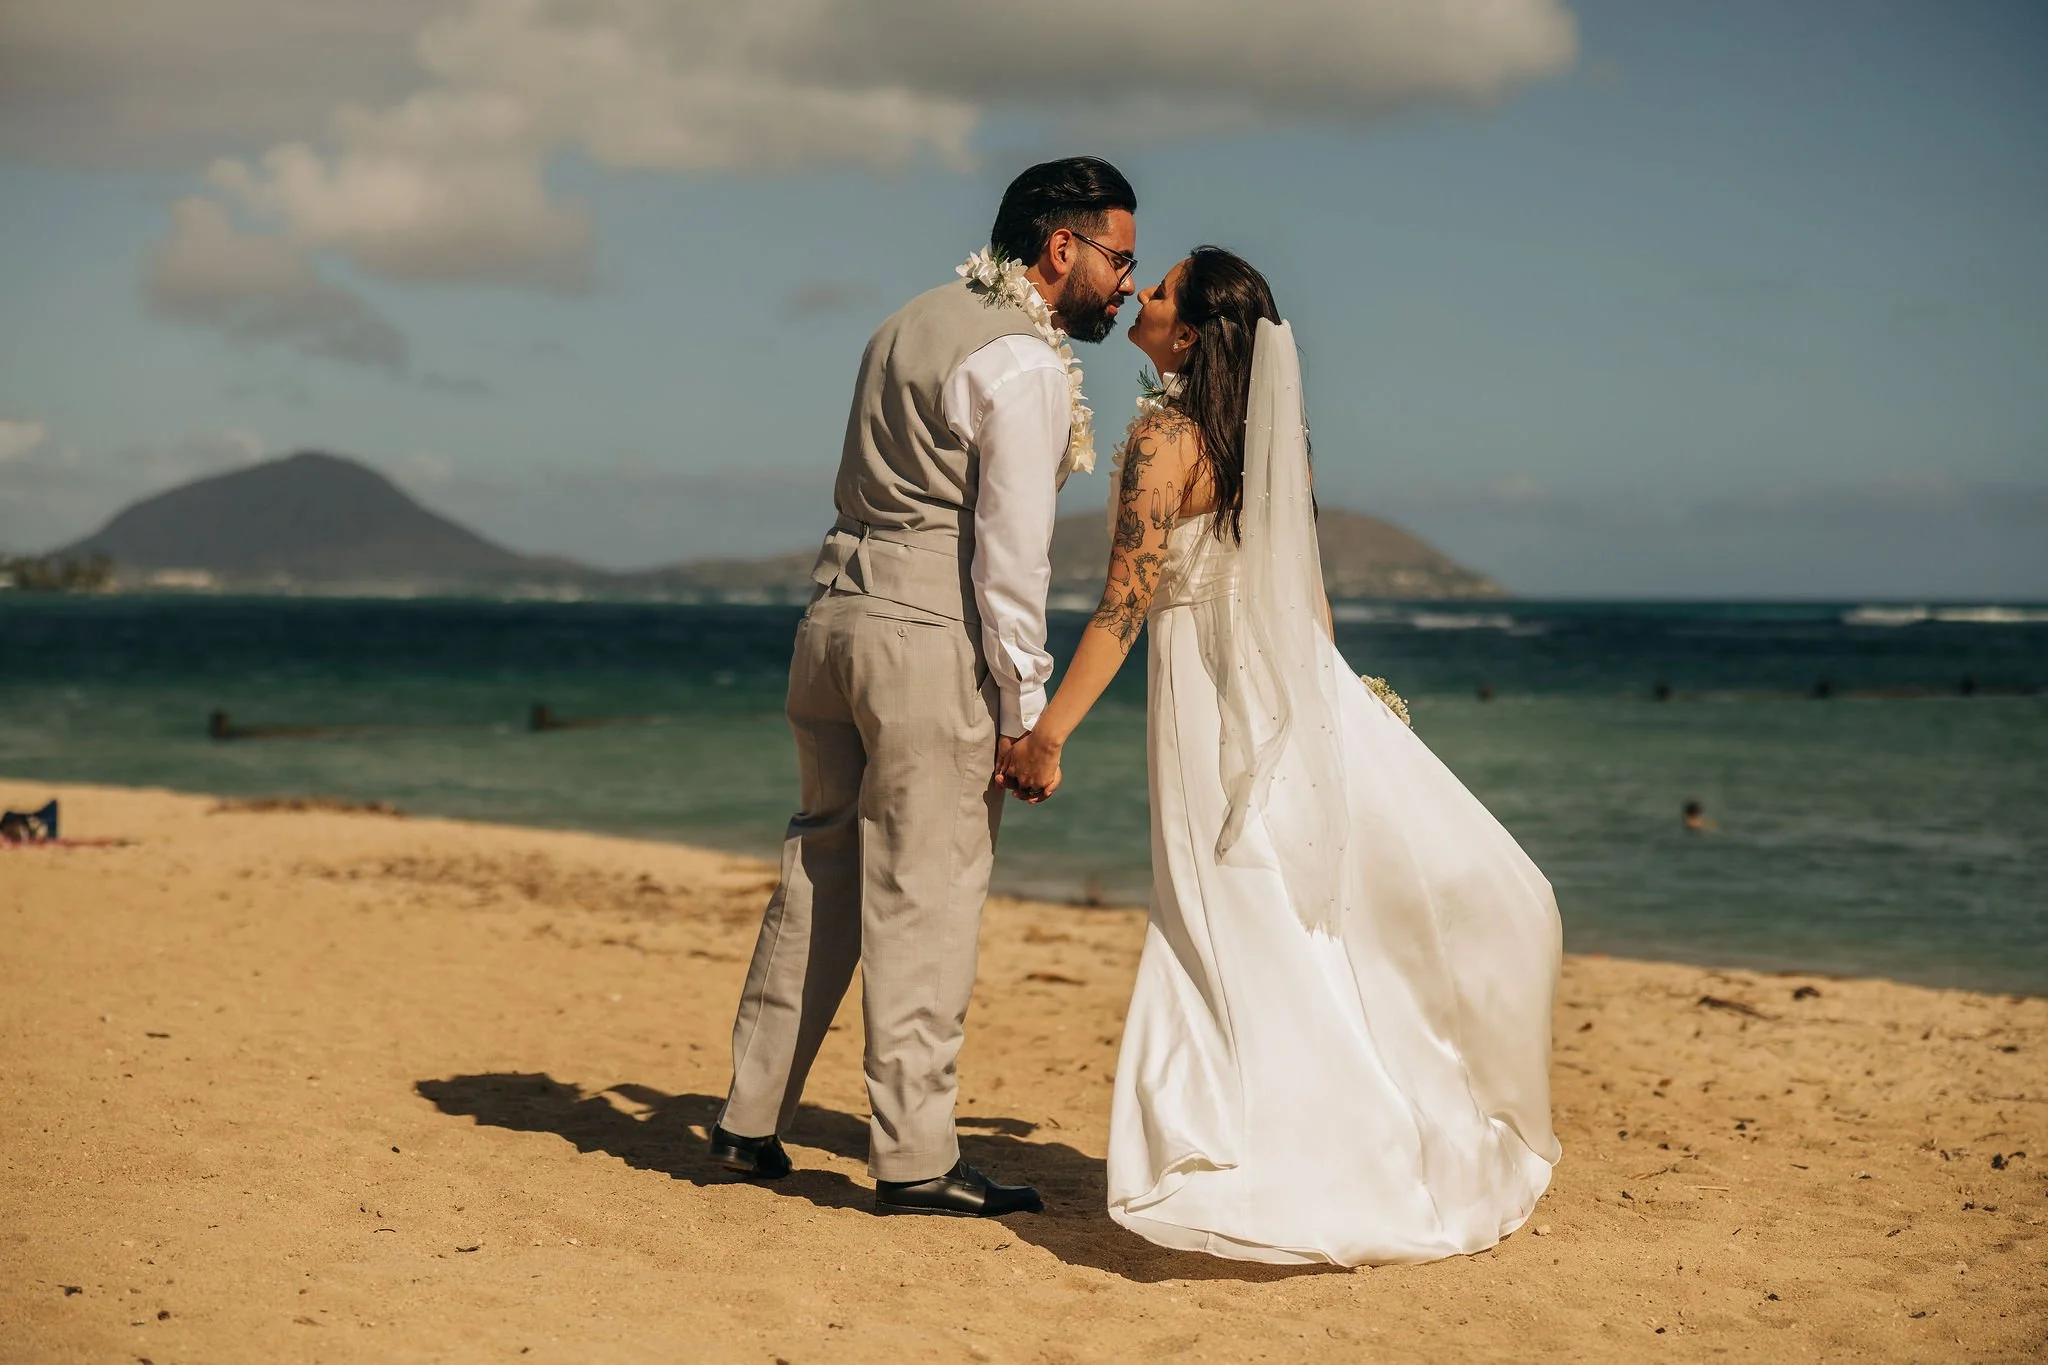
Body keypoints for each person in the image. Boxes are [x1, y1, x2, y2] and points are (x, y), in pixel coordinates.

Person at [999, 248, 1562, 1265]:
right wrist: (1335, 698)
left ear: (1193, 331)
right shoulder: (1270, 439)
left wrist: (1046, 733)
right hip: (1277, 684)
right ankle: (1322, 1131)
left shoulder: (1162, 436)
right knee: (1283, 915)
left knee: (1222, 915)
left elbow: (1123, 609)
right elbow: (1303, 601)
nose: (1142, 296)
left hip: (1206, 695)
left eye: (1160, 290)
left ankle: (1276, 1143)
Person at [708, 157, 1139, 1218]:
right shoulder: (1025, 365)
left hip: (833, 620)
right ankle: (912, 1159)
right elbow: (1010, 558)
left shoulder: (905, 320)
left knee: (819, 869)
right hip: (924, 636)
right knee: (927, 892)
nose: (1126, 283)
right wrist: (1026, 711)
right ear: (1059, 248)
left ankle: (746, 1118)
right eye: (1117, 260)